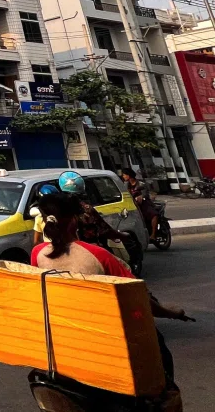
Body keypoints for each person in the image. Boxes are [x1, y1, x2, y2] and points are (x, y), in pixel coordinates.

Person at [32, 192, 190, 409]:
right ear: (74, 220)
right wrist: (172, 313)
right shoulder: (99, 255)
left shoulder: (37, 253)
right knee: (160, 366)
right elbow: (140, 299)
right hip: (104, 334)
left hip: (62, 333)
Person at [121, 167, 159, 241]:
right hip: (132, 205)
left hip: (144, 203)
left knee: (154, 215)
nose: (123, 176)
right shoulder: (125, 185)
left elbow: (145, 194)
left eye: (124, 175)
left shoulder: (141, 184)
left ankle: (153, 234)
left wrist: (140, 197)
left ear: (129, 175)